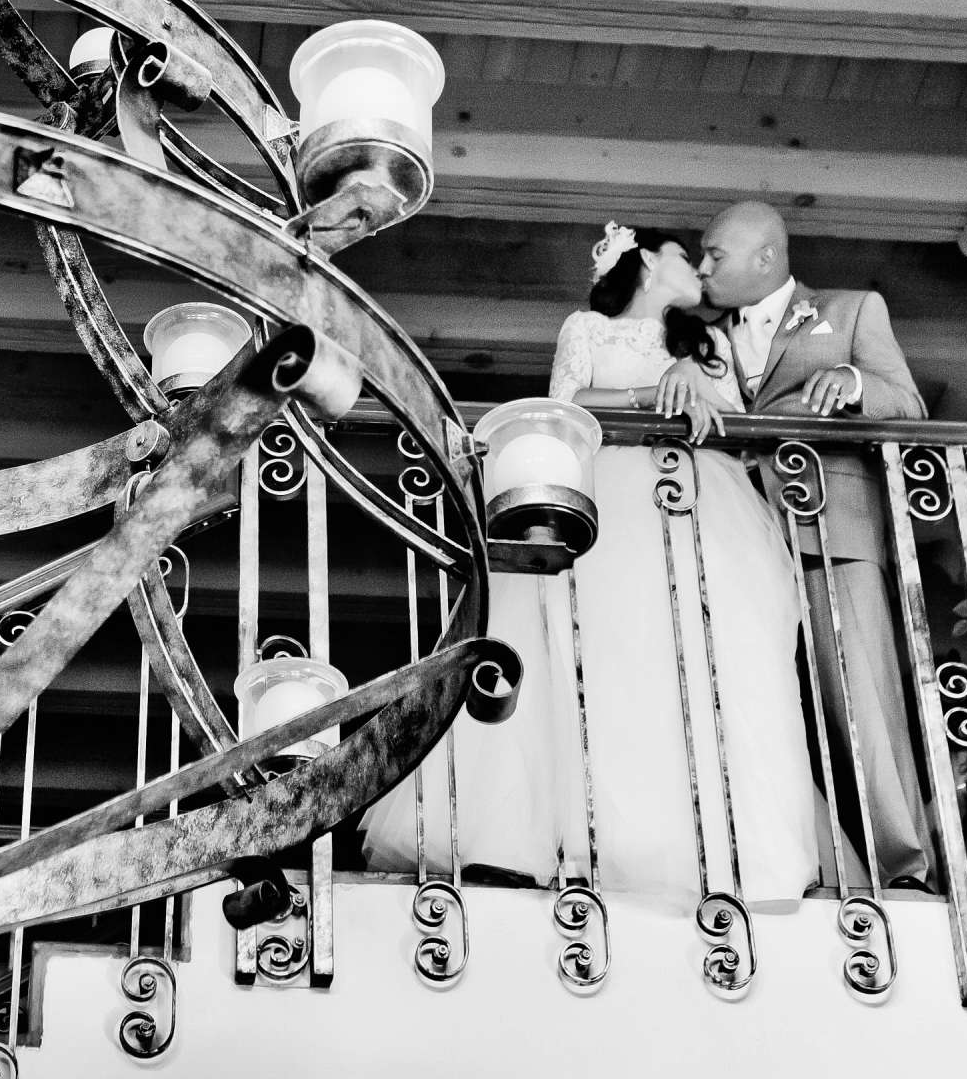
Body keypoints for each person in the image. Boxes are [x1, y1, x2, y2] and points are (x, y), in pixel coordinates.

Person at [362, 223, 819, 909]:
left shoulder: (710, 344)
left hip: (694, 503)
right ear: (642, 263)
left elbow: (728, 423)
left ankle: (700, 843)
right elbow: (564, 408)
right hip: (608, 500)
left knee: (695, 661)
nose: (694, 264)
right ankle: (561, 839)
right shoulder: (588, 329)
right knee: (597, 659)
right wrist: (646, 400)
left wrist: (695, 376)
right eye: (678, 254)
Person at [695, 199, 935, 888]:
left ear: (766, 256)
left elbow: (909, 403)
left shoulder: (853, 310)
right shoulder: (694, 338)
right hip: (735, 540)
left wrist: (855, 384)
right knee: (758, 705)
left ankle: (902, 867)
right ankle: (808, 865)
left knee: (860, 696)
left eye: (716, 254)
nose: (704, 266)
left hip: (832, 530)